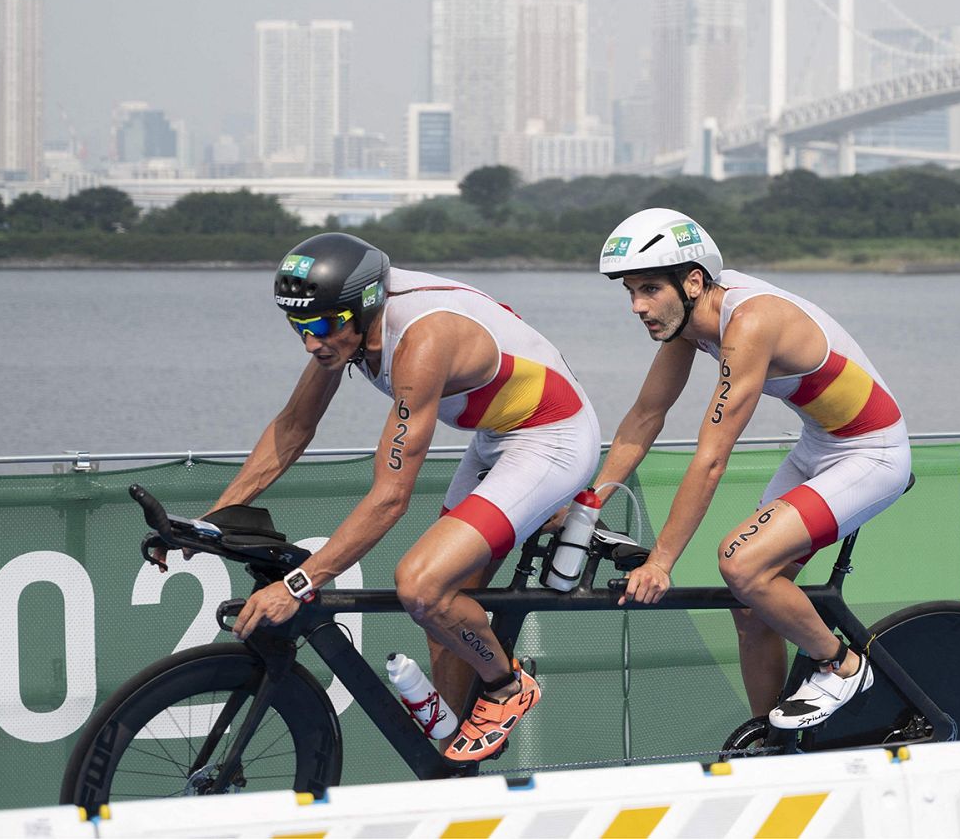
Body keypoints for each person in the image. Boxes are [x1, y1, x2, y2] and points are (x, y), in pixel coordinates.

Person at [210, 231, 599, 763]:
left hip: (550, 438)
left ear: (361, 307)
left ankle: (508, 688)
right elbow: (294, 426)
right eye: (298, 326)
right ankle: (458, 768)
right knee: (442, 618)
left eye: (321, 326)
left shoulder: (421, 343)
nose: (310, 342)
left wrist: (298, 586)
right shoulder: (346, 327)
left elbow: (391, 497)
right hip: (495, 437)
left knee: (421, 584)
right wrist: (212, 520)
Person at [586, 208, 911, 729]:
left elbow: (712, 457)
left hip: (870, 453)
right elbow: (645, 417)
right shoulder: (691, 322)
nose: (636, 306)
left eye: (648, 289)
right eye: (629, 291)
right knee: (750, 608)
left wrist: (662, 562)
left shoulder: (751, 322)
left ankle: (843, 666)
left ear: (692, 281)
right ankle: (771, 740)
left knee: (740, 563)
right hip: (819, 447)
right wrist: (588, 506)